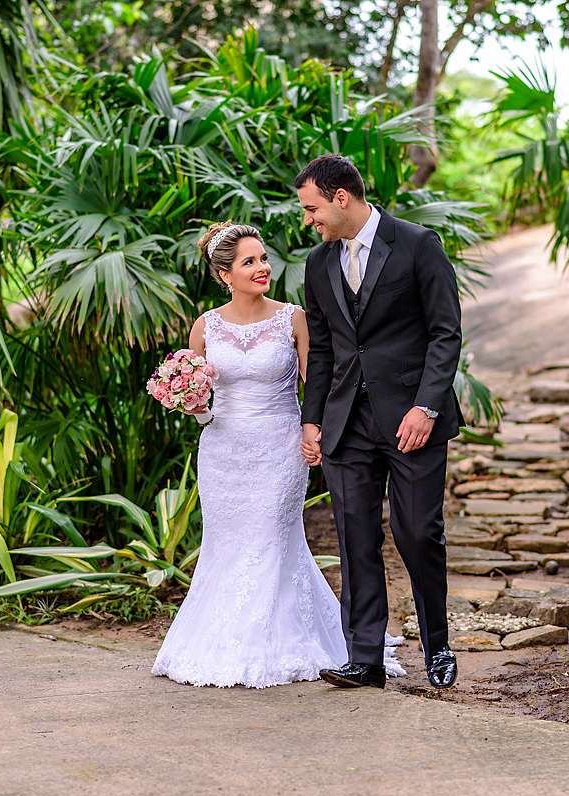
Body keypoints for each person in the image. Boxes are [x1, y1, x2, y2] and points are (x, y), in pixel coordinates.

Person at [151, 221, 402, 688]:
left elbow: (318, 382)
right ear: (225, 274)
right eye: (250, 261)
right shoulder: (205, 325)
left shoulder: (293, 318)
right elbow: (200, 396)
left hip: (279, 448)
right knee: (226, 545)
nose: (263, 267)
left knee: (271, 537)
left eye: (263, 258)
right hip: (223, 452)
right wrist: (188, 400)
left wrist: (321, 430)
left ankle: (275, 644)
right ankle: (221, 642)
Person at [295, 154, 464, 690]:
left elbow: (445, 333)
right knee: (355, 538)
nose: (308, 220)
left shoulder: (417, 244)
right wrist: (312, 419)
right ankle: (364, 658)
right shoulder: (318, 265)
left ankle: (438, 648)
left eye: (312, 208)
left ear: (341, 197)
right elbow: (321, 350)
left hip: (413, 420)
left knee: (418, 535)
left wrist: (427, 406)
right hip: (346, 424)